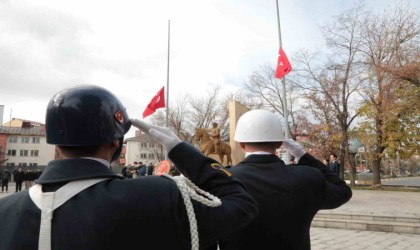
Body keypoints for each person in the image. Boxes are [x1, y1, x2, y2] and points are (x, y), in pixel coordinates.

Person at [0, 85, 258, 250]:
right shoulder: (157, 195)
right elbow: (241, 204)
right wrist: (179, 148)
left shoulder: (5, 210)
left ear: (53, 139)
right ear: (117, 141)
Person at [214, 109, 352, 250]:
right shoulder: (308, 177)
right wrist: (304, 156)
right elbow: (343, 191)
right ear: (280, 143)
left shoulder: (222, 180)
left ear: (241, 144)